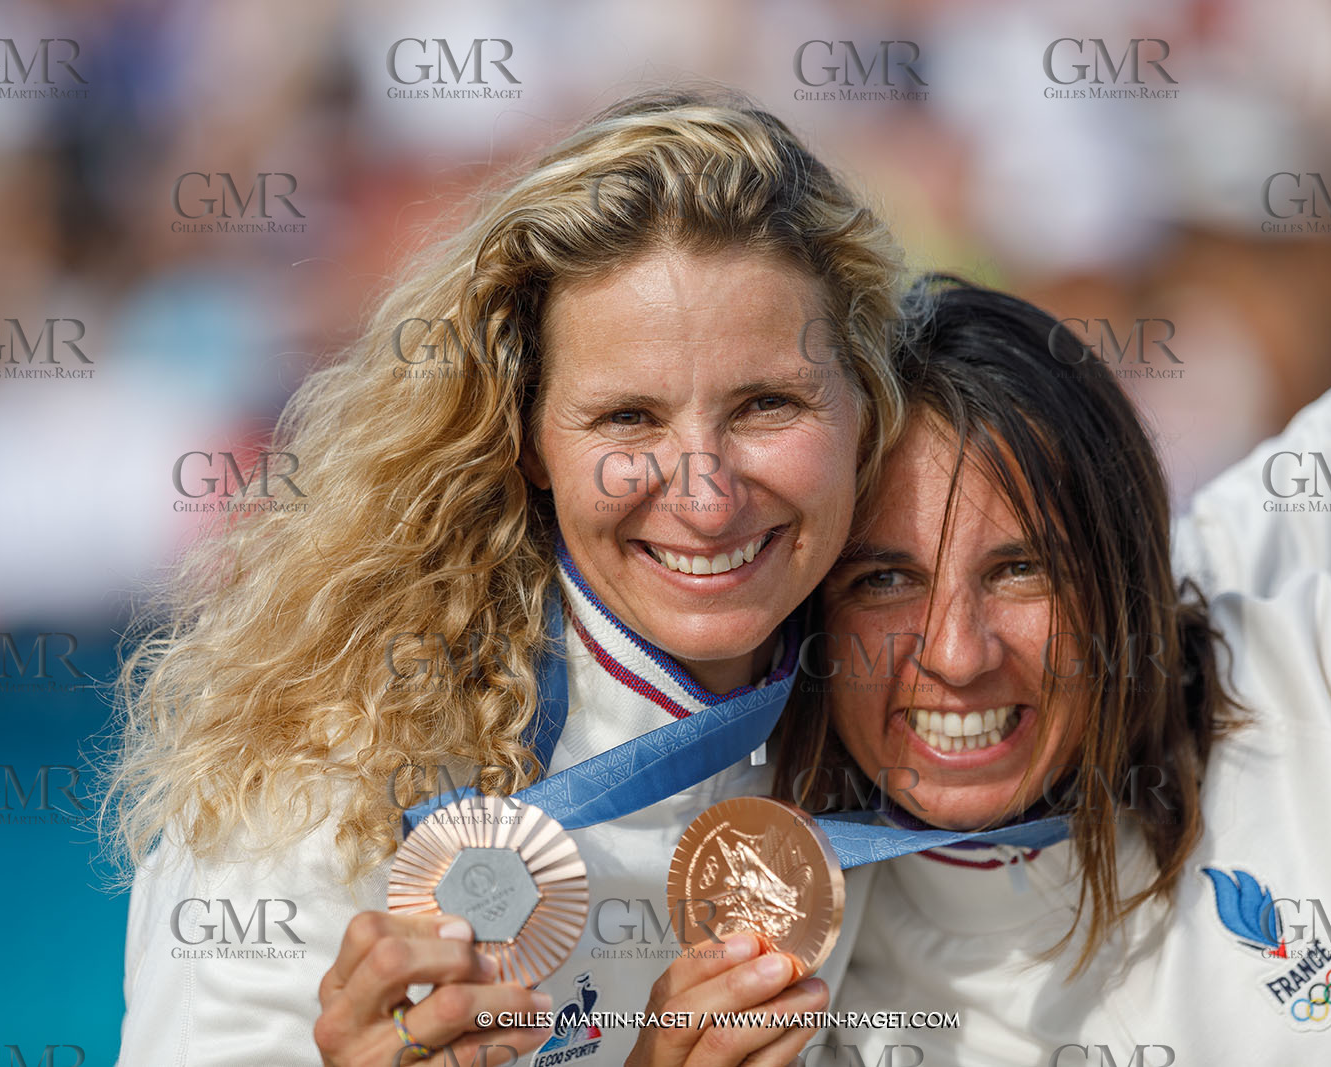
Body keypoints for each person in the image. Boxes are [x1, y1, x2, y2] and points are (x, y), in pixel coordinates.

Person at [106, 89, 909, 1066]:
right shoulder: (332, 789)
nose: (705, 496)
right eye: (627, 419)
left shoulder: (909, 715)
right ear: (525, 439)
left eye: (766, 404)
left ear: (864, 405)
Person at [781, 275, 1331, 1065]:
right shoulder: (806, 984)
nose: (958, 655)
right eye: (884, 580)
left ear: (1119, 579)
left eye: (1023, 568)